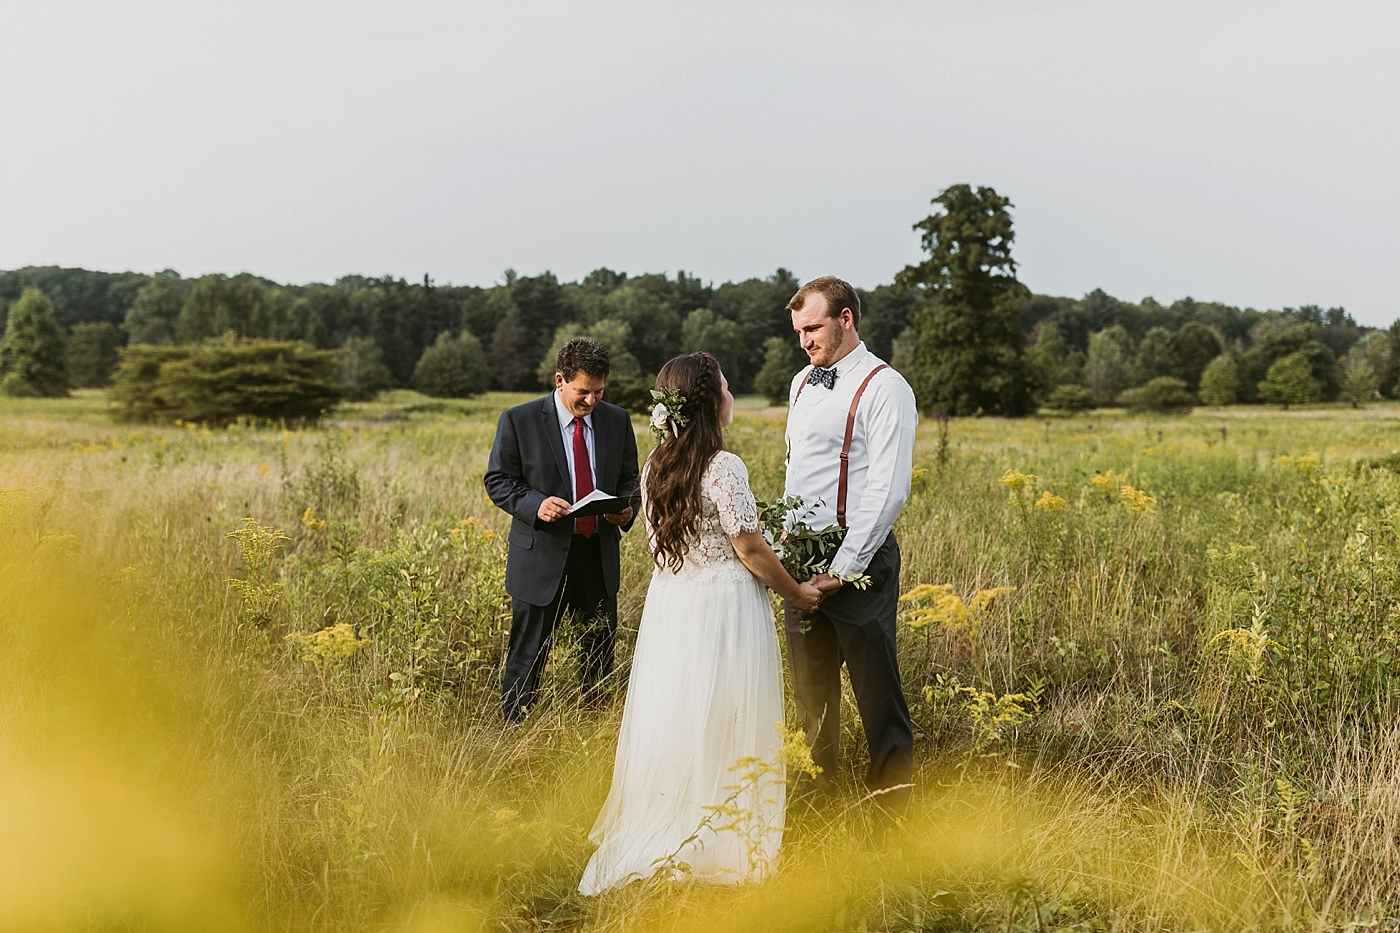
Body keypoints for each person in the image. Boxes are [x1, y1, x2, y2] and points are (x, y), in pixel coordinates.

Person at [579, 352, 823, 894]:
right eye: (728, 388)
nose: (733, 397)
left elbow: (671, 545)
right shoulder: (723, 465)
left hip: (675, 607)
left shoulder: (654, 464)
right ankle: (723, 840)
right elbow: (750, 549)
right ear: (711, 402)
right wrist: (797, 591)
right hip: (725, 607)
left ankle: (676, 821)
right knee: (730, 711)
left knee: (680, 713)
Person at [783, 275, 918, 816]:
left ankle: (891, 816)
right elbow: (799, 471)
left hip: (857, 559)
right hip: (800, 558)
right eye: (798, 331)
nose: (805, 341)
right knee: (810, 693)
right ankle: (816, 807)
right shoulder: (800, 382)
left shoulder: (886, 387)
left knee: (876, 692)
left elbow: (888, 489)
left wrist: (843, 569)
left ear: (846, 320)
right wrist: (787, 549)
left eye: (813, 328)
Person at [484, 338, 640, 723]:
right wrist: (535, 504)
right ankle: (513, 732)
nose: (591, 401)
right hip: (541, 558)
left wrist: (626, 509)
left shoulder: (616, 420)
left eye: (599, 391)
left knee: (598, 655)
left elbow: (631, 481)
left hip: (596, 557)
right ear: (560, 380)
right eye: (582, 391)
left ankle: (593, 734)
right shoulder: (518, 420)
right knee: (528, 656)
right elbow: (498, 481)